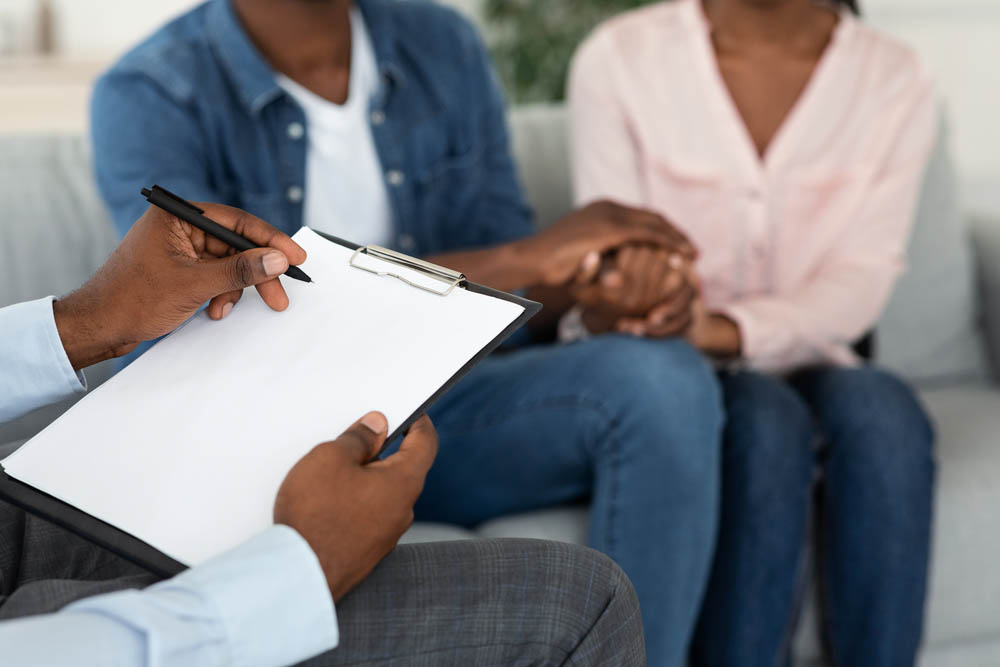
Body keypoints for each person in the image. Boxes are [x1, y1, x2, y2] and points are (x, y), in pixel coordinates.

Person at [90, 1, 726, 662]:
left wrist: (604, 282)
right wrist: (529, 257)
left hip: (443, 407)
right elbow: (218, 323)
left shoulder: (442, 42)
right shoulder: (151, 93)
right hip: (276, 440)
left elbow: (510, 277)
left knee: (663, 379)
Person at [0, 201, 646, 665]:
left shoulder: (438, 49)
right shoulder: (154, 86)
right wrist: (296, 573)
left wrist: (83, 322)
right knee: (582, 601)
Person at [569, 0, 937, 665]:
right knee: (766, 424)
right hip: (678, 364)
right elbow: (610, 249)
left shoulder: (894, 77)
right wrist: (648, 299)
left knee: (889, 415)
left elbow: (863, 276)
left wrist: (730, 328)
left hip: (812, 349)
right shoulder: (620, 58)